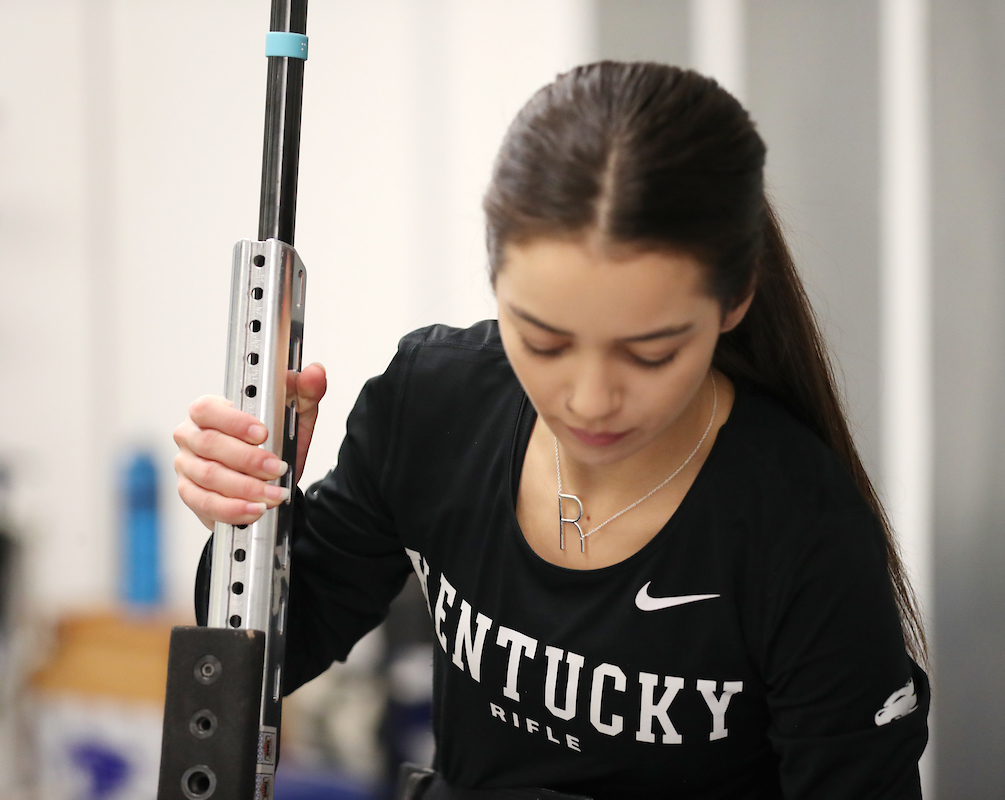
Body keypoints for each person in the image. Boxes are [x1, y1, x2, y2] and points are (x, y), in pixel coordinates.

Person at [174, 61, 929, 799]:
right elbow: (277, 648)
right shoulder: (434, 406)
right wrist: (256, 516)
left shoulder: (800, 529)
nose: (591, 400)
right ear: (497, 284)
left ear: (734, 303)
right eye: (544, 342)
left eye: (651, 353)